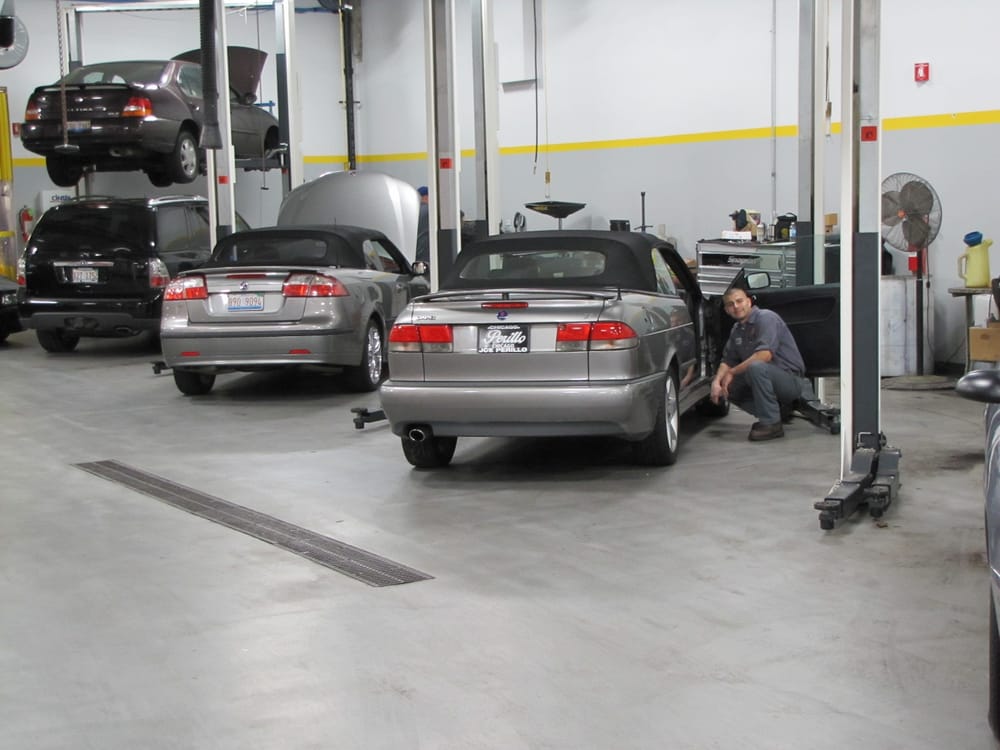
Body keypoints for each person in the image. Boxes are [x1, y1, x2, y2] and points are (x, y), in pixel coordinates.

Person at [710, 286, 815, 441]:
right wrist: (717, 381)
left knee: (756, 367)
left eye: (739, 301)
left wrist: (732, 372)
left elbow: (764, 355)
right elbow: (728, 360)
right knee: (727, 386)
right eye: (731, 304)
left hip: (790, 380)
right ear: (726, 310)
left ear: (749, 302)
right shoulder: (737, 329)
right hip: (766, 378)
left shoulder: (766, 318)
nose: (736, 306)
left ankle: (771, 424)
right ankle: (776, 412)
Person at [415, 185, 429, 266]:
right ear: (426, 196)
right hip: (424, 255)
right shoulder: (430, 211)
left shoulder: (413, 210)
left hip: (413, 254)